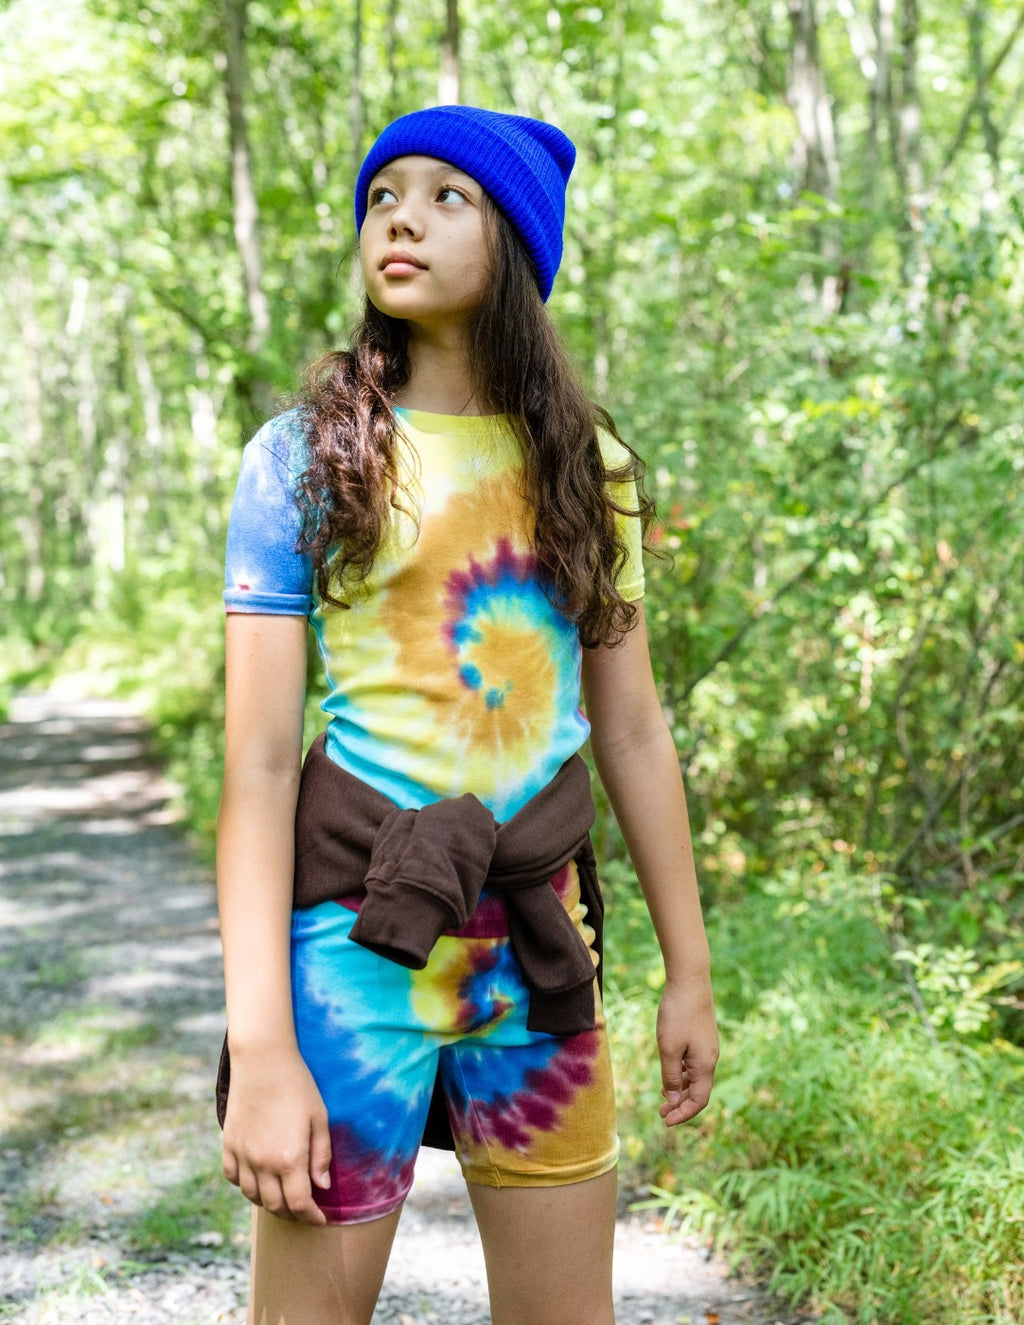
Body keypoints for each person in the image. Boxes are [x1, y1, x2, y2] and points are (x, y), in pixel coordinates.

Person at [216, 104, 718, 1325]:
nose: (402, 215)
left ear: (518, 247)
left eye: (449, 196)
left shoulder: (587, 466)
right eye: (385, 193)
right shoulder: (305, 456)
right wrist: (263, 1046)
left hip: (540, 953)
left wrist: (689, 971)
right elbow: (260, 764)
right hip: (352, 946)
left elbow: (633, 730)